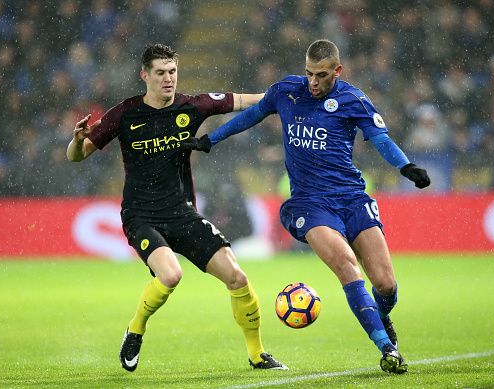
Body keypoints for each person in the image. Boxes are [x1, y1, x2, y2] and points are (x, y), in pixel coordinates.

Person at [182, 39, 431, 374]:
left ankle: (382, 317)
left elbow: (382, 139)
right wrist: (210, 140)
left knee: (386, 285)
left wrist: (405, 167)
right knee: (346, 266)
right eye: (310, 73)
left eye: (322, 75)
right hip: (309, 204)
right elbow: (251, 116)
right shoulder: (286, 91)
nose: (314, 81)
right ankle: (387, 349)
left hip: (353, 199)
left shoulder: (353, 99)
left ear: (337, 71)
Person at [66, 43, 287, 372]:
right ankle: (136, 329)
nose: (168, 78)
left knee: (237, 278)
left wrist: (283, 95)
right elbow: (77, 155)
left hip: (183, 213)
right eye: (160, 73)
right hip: (141, 216)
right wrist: (75, 140)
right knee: (171, 275)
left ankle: (257, 354)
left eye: (172, 71)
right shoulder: (125, 113)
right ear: (145, 76)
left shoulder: (192, 106)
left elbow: (244, 100)